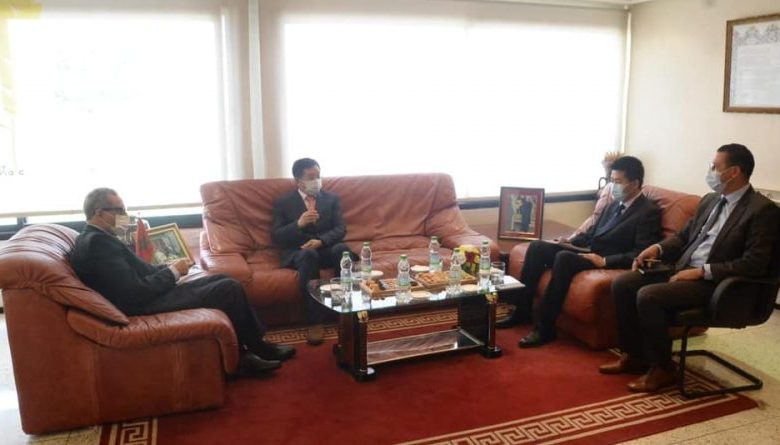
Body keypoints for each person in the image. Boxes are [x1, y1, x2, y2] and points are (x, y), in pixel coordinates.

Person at [601, 144, 780, 392]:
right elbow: (683, 236)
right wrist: (657, 249)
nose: (710, 171)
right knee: (623, 284)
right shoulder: (710, 200)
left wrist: (702, 271)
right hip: (684, 268)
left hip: (718, 283)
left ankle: (663, 368)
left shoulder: (762, 211)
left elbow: (754, 263)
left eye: (715, 166)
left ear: (734, 172)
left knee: (649, 296)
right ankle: (635, 355)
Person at [69, 188, 295, 378]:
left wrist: (169, 267)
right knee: (228, 289)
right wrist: (173, 273)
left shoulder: (97, 238)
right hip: (142, 305)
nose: (125, 216)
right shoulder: (97, 244)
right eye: (120, 210)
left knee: (224, 279)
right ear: (99, 213)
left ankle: (250, 349)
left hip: (148, 295)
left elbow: (139, 272)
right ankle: (253, 352)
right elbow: (133, 292)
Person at [497, 156, 663, 348]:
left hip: (604, 259)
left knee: (564, 258)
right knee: (537, 247)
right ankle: (522, 311)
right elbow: (592, 233)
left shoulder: (648, 212)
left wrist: (605, 261)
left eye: (618, 182)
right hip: (587, 250)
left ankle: (545, 328)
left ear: (634, 183)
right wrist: (570, 241)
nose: (613, 186)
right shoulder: (613, 205)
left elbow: (641, 253)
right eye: (611, 181)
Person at [271, 158, 352, 345]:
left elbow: (340, 229)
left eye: (318, 176)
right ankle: (315, 321)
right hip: (300, 251)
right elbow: (276, 236)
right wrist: (298, 224)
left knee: (342, 250)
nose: (316, 181)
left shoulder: (331, 199)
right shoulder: (283, 203)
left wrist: (321, 241)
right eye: (311, 177)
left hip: (325, 247)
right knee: (309, 255)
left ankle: (346, 310)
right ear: (298, 181)